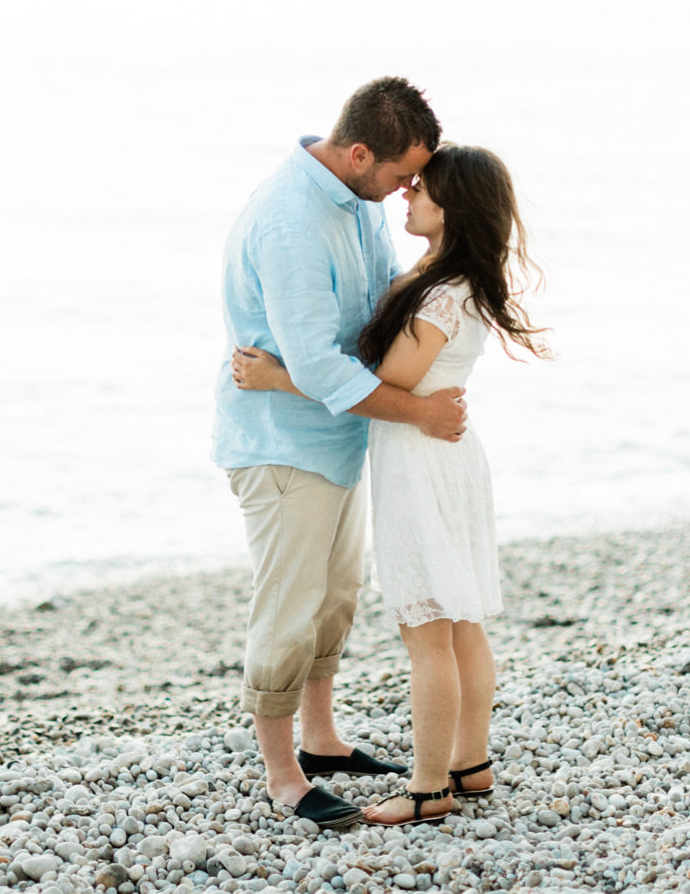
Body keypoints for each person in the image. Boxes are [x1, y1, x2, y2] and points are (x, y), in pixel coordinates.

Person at [234, 144, 550, 826]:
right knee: (459, 620)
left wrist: (278, 376)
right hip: (443, 456)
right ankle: (470, 761)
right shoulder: (443, 275)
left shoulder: (442, 292)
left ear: (452, 207)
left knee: (429, 628)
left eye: (422, 190)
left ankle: (430, 786)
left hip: (423, 460)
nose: (407, 196)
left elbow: (391, 383)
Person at [211, 77, 467, 829]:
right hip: (281, 444)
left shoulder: (356, 202)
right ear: (360, 153)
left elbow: (376, 306)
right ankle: (282, 773)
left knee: (334, 598)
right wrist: (419, 412)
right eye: (398, 176)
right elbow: (323, 367)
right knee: (287, 610)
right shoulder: (291, 221)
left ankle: (320, 740)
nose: (402, 191)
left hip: (339, 434)